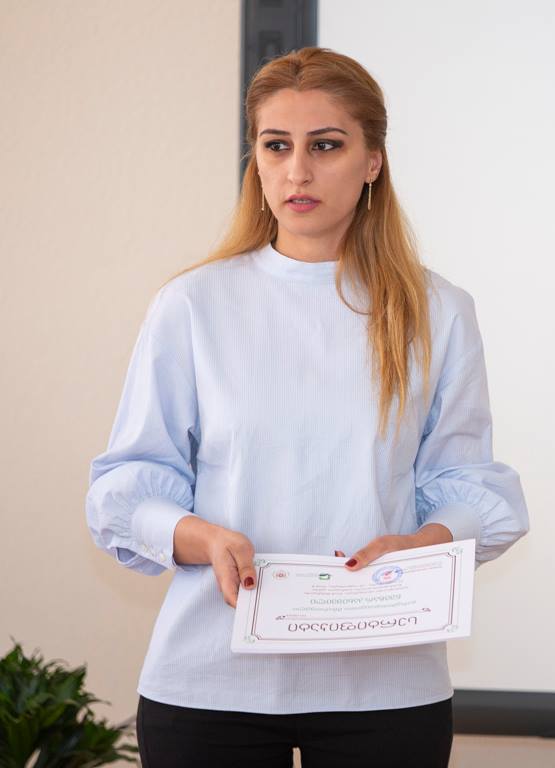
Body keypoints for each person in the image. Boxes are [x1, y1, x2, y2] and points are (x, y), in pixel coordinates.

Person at [84, 46, 529, 767]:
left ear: (372, 160)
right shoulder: (192, 305)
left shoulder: (438, 311)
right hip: (211, 683)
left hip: (386, 686)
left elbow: (469, 483)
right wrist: (200, 537)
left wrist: (424, 542)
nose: (297, 171)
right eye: (276, 146)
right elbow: (127, 484)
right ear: (255, 162)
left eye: (325, 145)